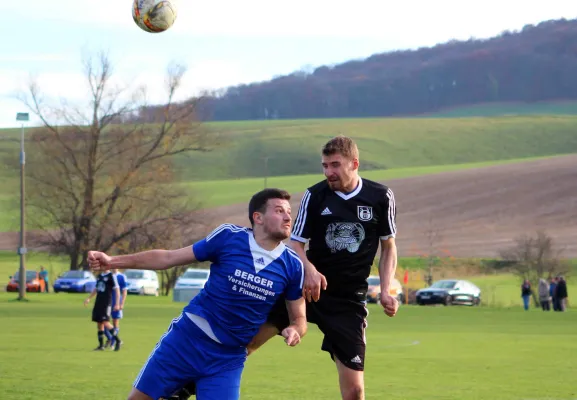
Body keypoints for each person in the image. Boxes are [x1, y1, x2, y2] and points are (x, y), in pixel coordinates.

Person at [87, 188, 307, 400]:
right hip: (187, 339)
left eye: (289, 212)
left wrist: (295, 329)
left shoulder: (293, 265)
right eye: (279, 211)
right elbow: (168, 258)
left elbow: (299, 319)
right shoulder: (228, 237)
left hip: (228, 358)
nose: (288, 217)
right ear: (257, 217)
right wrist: (112, 261)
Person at [246, 136, 398, 400]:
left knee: (355, 390)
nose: (329, 172)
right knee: (246, 344)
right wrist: (309, 269)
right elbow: (295, 244)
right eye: (325, 165)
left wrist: (386, 290)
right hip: (306, 290)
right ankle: (185, 388)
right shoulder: (315, 196)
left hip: (348, 301)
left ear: (354, 164)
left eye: (335, 165)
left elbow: (389, 247)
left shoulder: (380, 196)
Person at [83, 269, 122, 351]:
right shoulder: (100, 276)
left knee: (105, 322)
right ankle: (101, 346)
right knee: (99, 323)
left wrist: (117, 303)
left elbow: (117, 290)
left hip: (106, 303)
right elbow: (96, 289)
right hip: (98, 302)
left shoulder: (111, 276)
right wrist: (89, 298)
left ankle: (117, 340)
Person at [109, 268, 129, 349]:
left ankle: (113, 342)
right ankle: (111, 339)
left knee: (115, 322)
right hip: (107, 301)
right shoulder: (109, 275)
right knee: (104, 322)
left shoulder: (121, 276)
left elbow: (124, 291)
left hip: (116, 301)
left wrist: (122, 303)